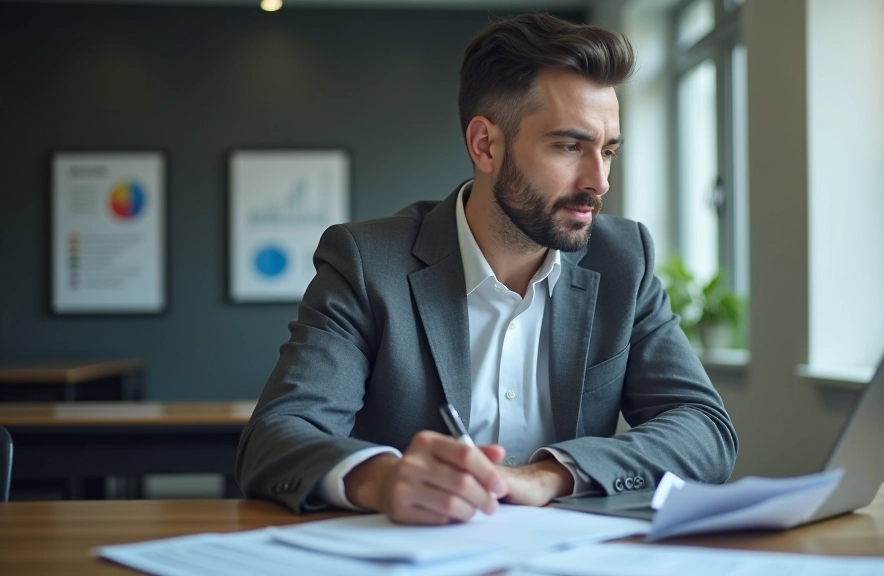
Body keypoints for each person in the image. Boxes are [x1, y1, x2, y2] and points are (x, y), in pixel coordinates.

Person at [236, 12, 737, 525]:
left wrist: (550, 475)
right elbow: (275, 437)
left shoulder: (624, 259)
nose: (599, 181)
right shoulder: (367, 263)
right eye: (570, 146)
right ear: (485, 145)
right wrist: (382, 480)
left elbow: (704, 428)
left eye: (607, 151)